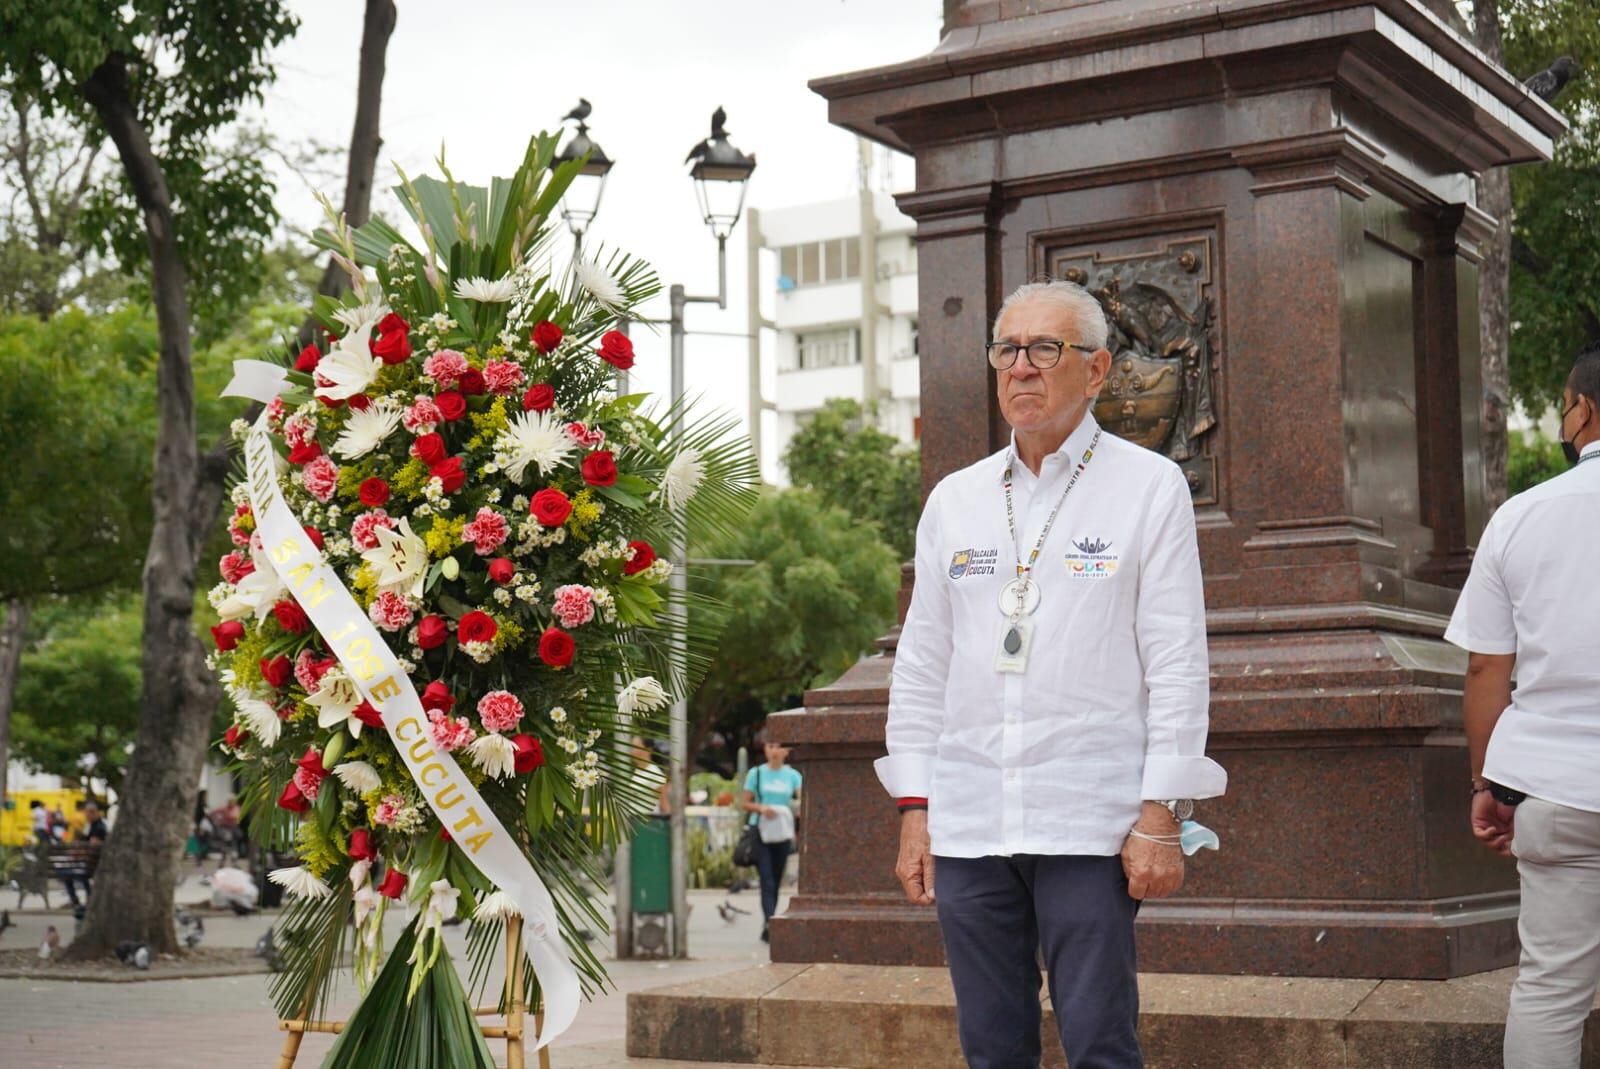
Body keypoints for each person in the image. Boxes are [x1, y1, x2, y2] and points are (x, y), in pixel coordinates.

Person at [881, 280, 1227, 1069]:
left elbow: (1176, 657)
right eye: (1008, 349)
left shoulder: (1149, 487)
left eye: (1047, 349)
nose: (1022, 368)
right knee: (991, 1047)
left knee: (1101, 1039)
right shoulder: (954, 500)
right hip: (970, 819)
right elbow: (922, 661)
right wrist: (915, 805)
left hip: (1092, 819)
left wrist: (1160, 811)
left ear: (1098, 370)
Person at [1446, 339, 1600, 1069]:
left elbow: (1486, 668)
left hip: (1559, 788)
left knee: (1550, 989)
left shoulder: (1521, 517)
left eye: (1563, 406)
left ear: (1584, 410)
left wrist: (1488, 782)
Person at [740, 732, 802, 943]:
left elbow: (803, 799)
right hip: (761, 832)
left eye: (779, 747)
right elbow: (745, 802)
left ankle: (772, 918)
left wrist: (797, 810)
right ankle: (769, 921)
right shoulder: (756, 774)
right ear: (765, 749)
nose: (774, 751)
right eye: (771, 746)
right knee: (766, 879)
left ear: (786, 751)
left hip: (782, 833)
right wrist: (761, 808)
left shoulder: (793, 775)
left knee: (776, 879)